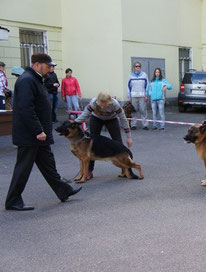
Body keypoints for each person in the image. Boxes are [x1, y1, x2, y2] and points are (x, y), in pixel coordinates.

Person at [5, 53, 81, 211]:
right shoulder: (27, 80)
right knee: (23, 168)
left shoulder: (36, 79)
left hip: (39, 135)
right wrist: (38, 130)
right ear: (37, 64)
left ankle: (63, 190)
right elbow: (26, 109)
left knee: (48, 165)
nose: (50, 69)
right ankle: (13, 200)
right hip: (31, 135)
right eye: (48, 66)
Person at [74, 92, 136, 180]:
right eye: (101, 105)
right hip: (96, 119)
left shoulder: (115, 104)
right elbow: (84, 115)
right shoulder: (93, 102)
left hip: (112, 119)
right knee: (91, 147)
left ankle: (125, 169)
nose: (103, 107)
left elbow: (123, 120)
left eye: (105, 105)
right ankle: (89, 171)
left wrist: (129, 137)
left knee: (118, 143)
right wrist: (73, 124)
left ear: (109, 102)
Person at [128, 61, 149, 130]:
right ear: (134, 67)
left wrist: (146, 95)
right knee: (134, 111)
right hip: (133, 96)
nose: (138, 67)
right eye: (136, 66)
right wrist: (129, 96)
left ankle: (145, 125)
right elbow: (128, 87)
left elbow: (147, 85)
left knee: (143, 110)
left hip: (142, 95)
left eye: (139, 66)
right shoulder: (130, 76)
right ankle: (133, 124)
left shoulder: (144, 75)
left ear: (140, 67)